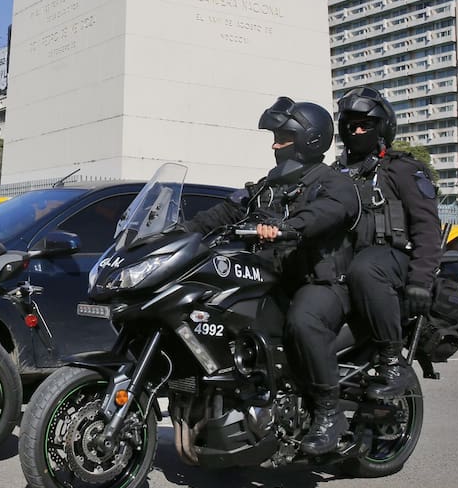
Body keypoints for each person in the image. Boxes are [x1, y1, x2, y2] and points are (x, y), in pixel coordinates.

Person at [186, 97, 359, 456]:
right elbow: (225, 211)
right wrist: (180, 231)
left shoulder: (334, 184)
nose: (275, 144)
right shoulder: (269, 185)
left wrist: (288, 227)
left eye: (282, 136)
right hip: (274, 281)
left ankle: (329, 414)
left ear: (308, 139)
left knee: (304, 321)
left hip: (319, 284)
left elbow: (325, 214)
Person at [333, 86, 441, 399]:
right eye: (350, 125)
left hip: (390, 260)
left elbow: (427, 227)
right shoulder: (334, 174)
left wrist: (421, 280)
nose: (357, 131)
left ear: (382, 127)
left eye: (364, 125)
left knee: (367, 269)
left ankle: (393, 362)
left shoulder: (402, 169)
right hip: (344, 267)